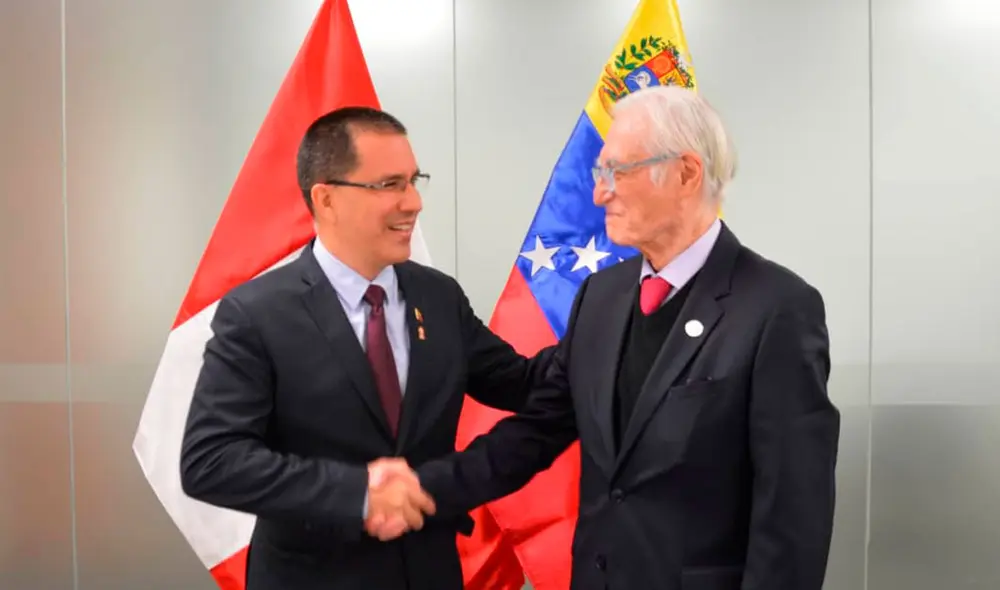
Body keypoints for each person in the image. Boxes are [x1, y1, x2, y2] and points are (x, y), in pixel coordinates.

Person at [375, 86, 841, 590]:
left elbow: (793, 516)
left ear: (686, 173)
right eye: (601, 173)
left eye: (618, 171)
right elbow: (540, 428)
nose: (600, 193)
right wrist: (426, 487)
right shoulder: (602, 296)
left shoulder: (776, 309)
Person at [179, 106, 554, 590]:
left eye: (415, 180)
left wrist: (609, 326)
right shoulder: (258, 314)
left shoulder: (437, 297)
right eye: (389, 185)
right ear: (327, 198)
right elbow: (211, 461)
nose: (414, 201)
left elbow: (525, 385)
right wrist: (357, 493)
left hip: (428, 574)